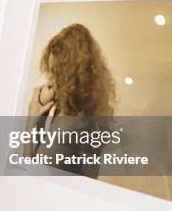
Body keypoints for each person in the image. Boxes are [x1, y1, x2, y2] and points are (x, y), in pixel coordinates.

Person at [26, 24, 115, 177]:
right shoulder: (90, 117)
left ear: (69, 76)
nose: (49, 82)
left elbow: (29, 178)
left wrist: (29, 122)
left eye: (55, 73)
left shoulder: (67, 124)